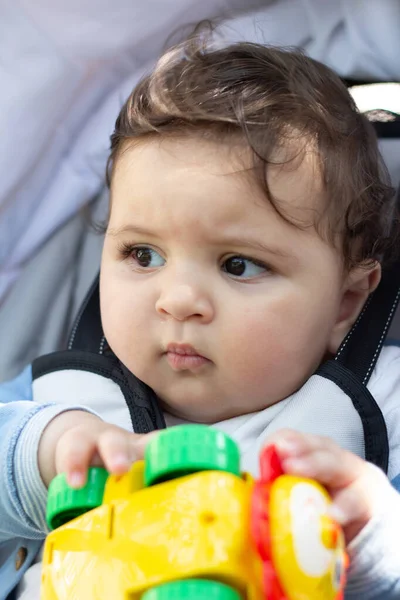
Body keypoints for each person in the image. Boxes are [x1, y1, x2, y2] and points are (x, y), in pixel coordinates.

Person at [1, 37, 400, 599]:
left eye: (238, 265)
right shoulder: (63, 400)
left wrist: (376, 546)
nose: (177, 300)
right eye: (143, 255)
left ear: (344, 303)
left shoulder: (382, 408)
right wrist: (38, 457)